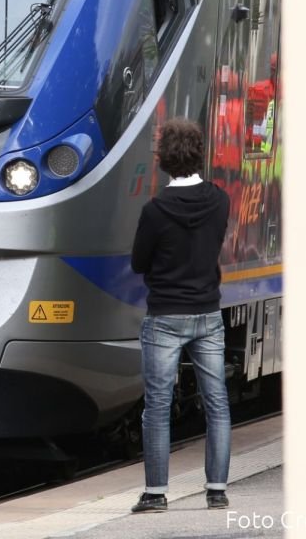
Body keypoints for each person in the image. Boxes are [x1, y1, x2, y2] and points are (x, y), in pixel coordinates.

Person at [129, 118, 231, 513]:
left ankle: (156, 494)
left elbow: (139, 263)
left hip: (166, 316)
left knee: (157, 405)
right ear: (199, 155)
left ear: (163, 160)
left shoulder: (155, 211)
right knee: (217, 402)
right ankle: (217, 490)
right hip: (207, 313)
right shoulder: (220, 200)